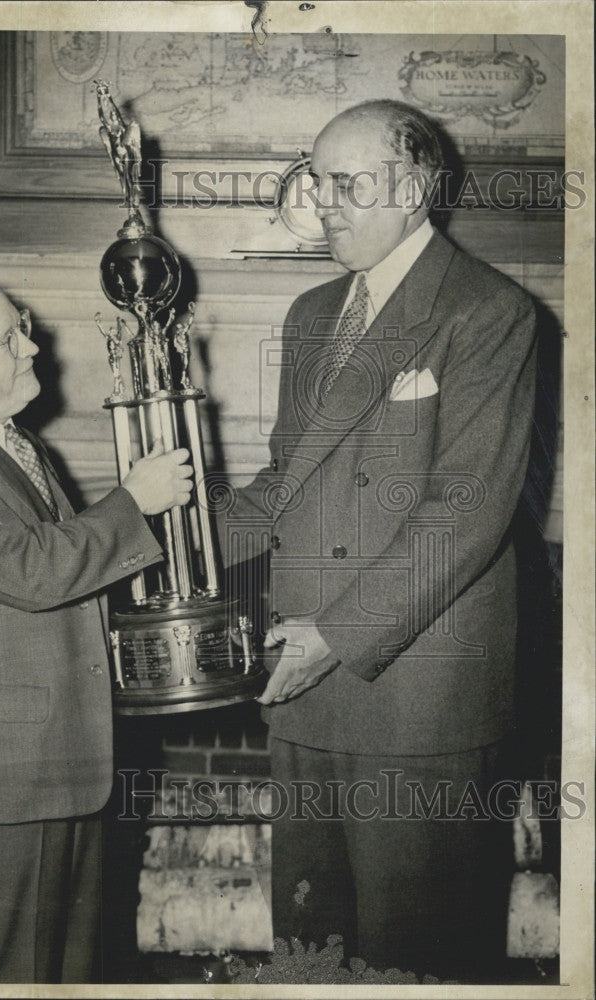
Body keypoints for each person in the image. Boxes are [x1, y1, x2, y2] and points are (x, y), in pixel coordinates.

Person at [218, 100, 537, 980]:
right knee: (312, 945)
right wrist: (157, 539)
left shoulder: (488, 311)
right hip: (305, 678)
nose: (324, 204)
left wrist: (336, 638)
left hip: (414, 686)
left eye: (348, 184)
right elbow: (286, 483)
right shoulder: (314, 312)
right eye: (316, 182)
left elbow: (464, 512)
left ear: (416, 189)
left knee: (416, 961)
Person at [0, 268, 192, 983]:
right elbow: (34, 570)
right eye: (7, 338)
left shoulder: (10, 448)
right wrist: (133, 501)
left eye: (22, 326)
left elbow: (75, 582)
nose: (30, 348)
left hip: (54, 775)